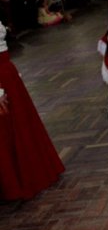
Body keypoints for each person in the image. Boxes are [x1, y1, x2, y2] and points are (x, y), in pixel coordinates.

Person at [0, 21, 65, 200]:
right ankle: (13, 183)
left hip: (7, 74)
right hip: (2, 80)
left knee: (20, 126)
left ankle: (26, 175)